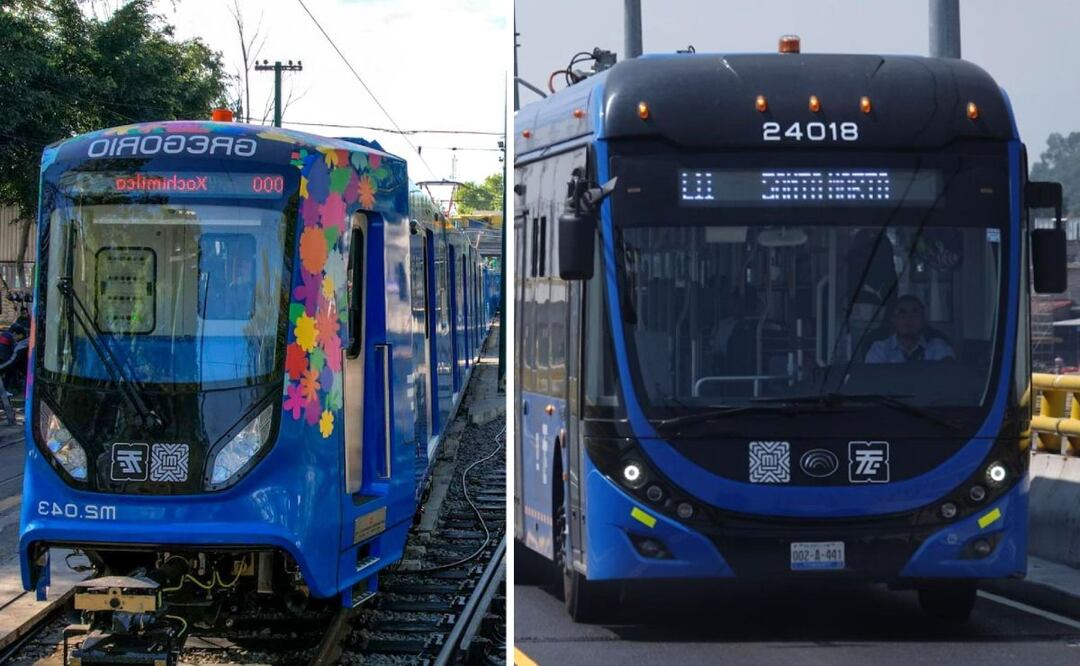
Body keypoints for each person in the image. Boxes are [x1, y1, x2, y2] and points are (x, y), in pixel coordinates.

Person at [864, 294, 954, 363]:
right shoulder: (880, 349)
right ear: (893, 320)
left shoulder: (939, 347)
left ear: (923, 319)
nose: (909, 318)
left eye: (915, 312)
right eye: (902, 312)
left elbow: (948, 381)